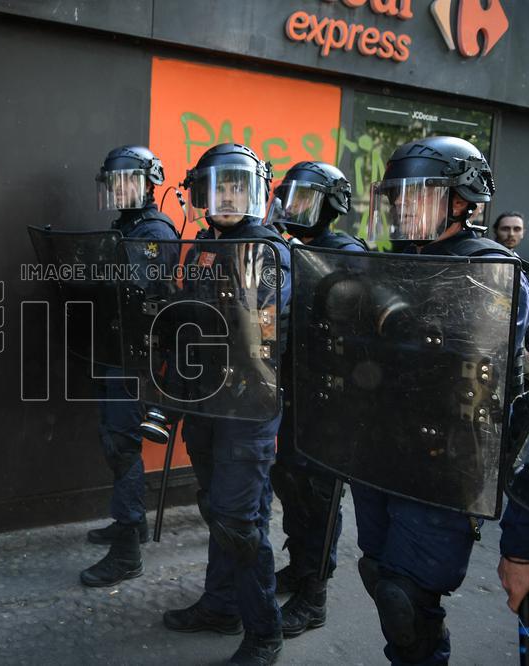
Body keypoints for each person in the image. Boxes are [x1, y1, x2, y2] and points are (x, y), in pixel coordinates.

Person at [353, 136, 529, 665]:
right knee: (379, 574)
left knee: (406, 601)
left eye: (420, 194)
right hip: (379, 453)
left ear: (462, 200)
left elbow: (481, 363)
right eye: (398, 196)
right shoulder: (390, 264)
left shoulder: (492, 269)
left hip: (442, 462)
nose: (403, 206)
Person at [163, 143, 290, 665]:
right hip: (206, 401)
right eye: (221, 188)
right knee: (219, 510)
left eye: (239, 187)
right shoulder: (202, 247)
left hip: (248, 405)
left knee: (240, 523)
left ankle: (264, 633)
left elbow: (265, 328)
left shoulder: (267, 250)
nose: (230, 197)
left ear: (255, 192)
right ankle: (220, 606)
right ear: (203, 195)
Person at [265, 162, 364, 639]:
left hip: (330, 397)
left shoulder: (348, 254)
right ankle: (301, 567)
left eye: (306, 200)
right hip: (292, 386)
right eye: (291, 198)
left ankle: (314, 595)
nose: (295, 208)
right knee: (290, 482)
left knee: (320, 495)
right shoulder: (286, 247)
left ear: (331, 206)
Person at [80, 146, 179, 587]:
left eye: (127, 181)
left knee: (123, 445)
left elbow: (138, 289)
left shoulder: (155, 231)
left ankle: (127, 552)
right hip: (112, 349)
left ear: (149, 183)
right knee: (111, 439)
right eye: (113, 182)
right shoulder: (124, 228)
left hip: (134, 356)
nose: (119, 189)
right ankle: (131, 523)